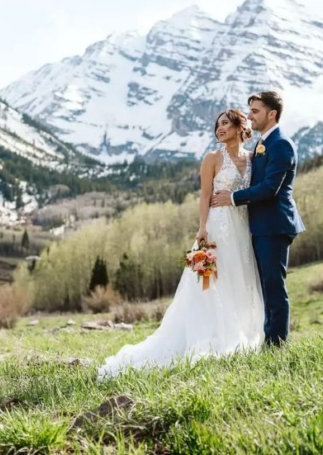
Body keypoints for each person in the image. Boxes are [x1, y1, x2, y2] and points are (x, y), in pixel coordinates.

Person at [97, 108, 264, 380]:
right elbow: (204, 196)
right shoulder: (212, 158)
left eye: (225, 123)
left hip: (242, 229)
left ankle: (242, 335)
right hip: (215, 230)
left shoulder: (252, 159)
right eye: (217, 124)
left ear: (239, 127)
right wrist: (202, 229)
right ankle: (212, 338)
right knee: (208, 285)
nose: (219, 128)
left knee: (239, 280)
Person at [210, 91, 304, 347]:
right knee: (264, 285)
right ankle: (267, 339)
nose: (250, 116)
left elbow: (269, 188)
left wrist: (231, 198)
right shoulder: (263, 144)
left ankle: (277, 344)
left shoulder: (281, 144)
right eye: (249, 111)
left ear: (271, 114)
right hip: (260, 225)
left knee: (273, 286)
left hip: (274, 224)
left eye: (255, 111)